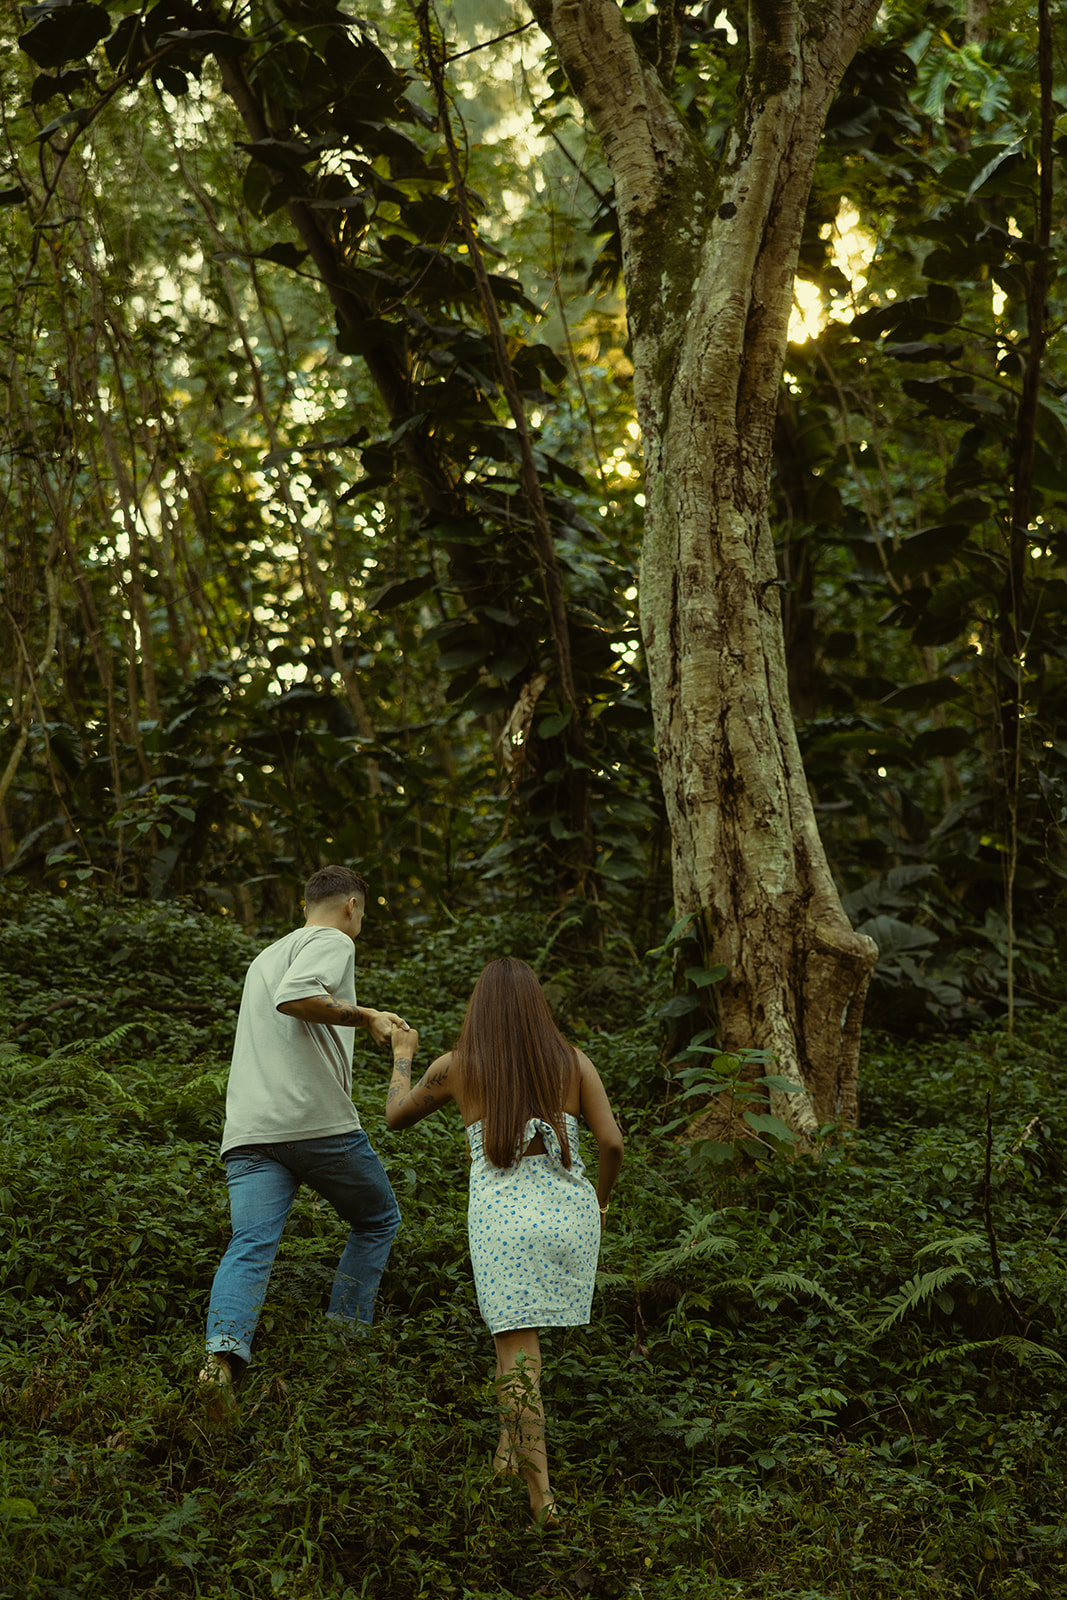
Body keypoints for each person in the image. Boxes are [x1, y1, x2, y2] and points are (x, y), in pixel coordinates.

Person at [385, 956, 623, 1525]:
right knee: (522, 1346)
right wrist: (602, 1203)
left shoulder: (456, 1067)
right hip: (570, 1216)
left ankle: (543, 1499)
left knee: (517, 1358)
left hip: (504, 1223)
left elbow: (395, 1116)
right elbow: (612, 1144)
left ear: (480, 1010)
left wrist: (402, 1056)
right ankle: (505, 1455)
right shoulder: (573, 1061)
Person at [200, 865, 407, 1414]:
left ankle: (219, 1363)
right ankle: (345, 1342)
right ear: (352, 907)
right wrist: (367, 1017)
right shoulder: (333, 940)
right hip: (315, 1124)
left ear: (305, 904)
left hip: (249, 1132)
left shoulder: (267, 955)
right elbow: (296, 997)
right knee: (377, 1218)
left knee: (250, 1245)